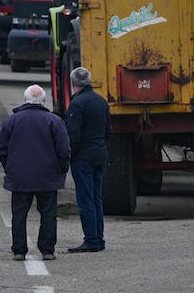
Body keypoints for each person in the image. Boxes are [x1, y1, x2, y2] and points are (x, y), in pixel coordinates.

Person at [0, 85, 70, 261]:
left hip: (20, 177)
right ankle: (47, 250)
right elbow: (64, 150)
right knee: (48, 214)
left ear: (25, 99)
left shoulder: (11, 121)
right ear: (43, 100)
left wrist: (9, 168)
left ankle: (19, 250)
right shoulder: (54, 121)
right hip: (48, 175)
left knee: (19, 214)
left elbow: (1, 148)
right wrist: (62, 169)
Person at [66, 66, 111, 253]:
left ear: (73, 83)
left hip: (83, 157)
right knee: (96, 197)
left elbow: (73, 135)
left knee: (85, 199)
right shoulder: (101, 101)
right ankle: (99, 238)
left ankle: (91, 239)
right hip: (100, 153)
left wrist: (69, 155)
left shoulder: (77, 104)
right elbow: (109, 130)